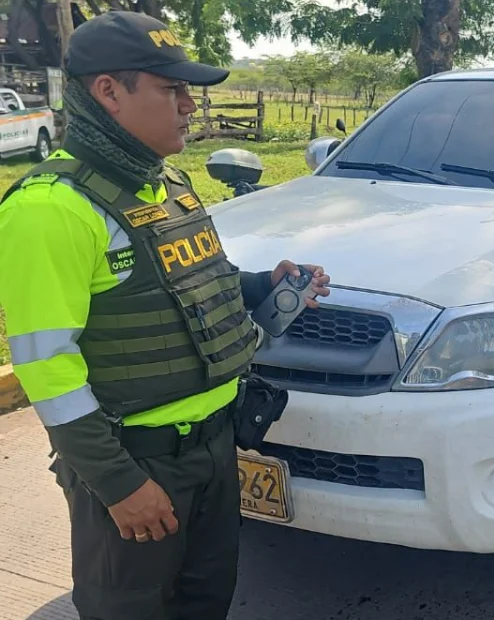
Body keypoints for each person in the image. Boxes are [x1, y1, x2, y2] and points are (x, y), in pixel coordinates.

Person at [0, 11, 332, 619]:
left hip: (212, 452)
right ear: (108, 92)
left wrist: (264, 286)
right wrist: (120, 485)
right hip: (136, 463)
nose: (188, 104)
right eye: (170, 89)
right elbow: (46, 365)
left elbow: (195, 286)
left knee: (206, 605)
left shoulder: (168, 183)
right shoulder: (51, 209)